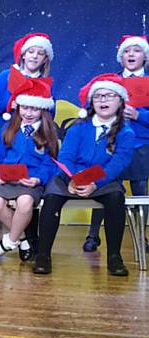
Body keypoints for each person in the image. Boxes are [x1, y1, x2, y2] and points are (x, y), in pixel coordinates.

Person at [34, 74, 134, 276]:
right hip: (71, 178)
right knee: (51, 197)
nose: (103, 101)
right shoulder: (79, 128)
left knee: (116, 198)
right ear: (91, 102)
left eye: (109, 96)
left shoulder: (126, 133)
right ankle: (43, 255)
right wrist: (71, 179)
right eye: (98, 97)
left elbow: (118, 163)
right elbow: (66, 156)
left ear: (120, 101)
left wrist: (95, 184)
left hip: (103, 181)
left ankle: (114, 257)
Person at [85, 35, 149, 253]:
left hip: (140, 145)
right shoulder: (110, 82)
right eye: (127, 51)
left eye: (136, 51)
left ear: (145, 56)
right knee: (104, 183)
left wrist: (139, 115)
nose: (131, 55)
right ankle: (92, 235)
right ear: (121, 57)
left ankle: (141, 236)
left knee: (139, 188)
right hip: (111, 142)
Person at [0, 79, 58, 262]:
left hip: (30, 181)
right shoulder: (7, 129)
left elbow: (51, 162)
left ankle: (7, 243)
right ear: (18, 108)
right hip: (6, 179)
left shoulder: (48, 131)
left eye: (34, 109)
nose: (29, 113)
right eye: (25, 108)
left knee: (25, 203)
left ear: (43, 110)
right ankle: (24, 239)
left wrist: (38, 179)